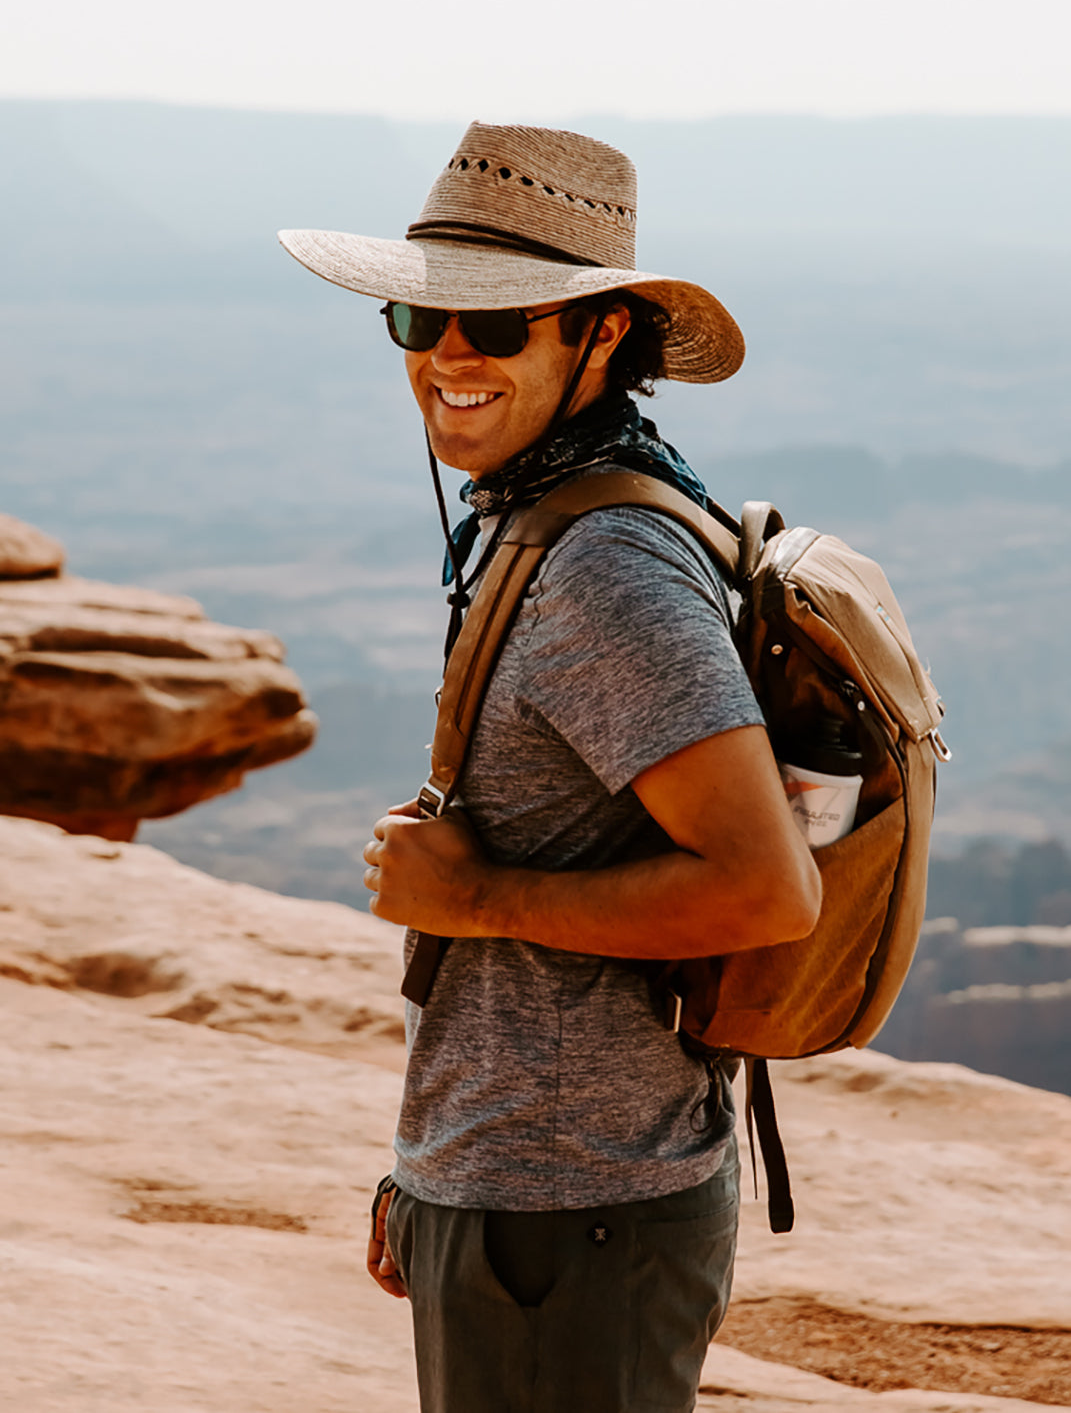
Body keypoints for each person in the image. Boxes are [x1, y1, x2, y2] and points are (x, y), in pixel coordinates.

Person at [279, 122, 820, 1413]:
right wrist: (433, 1166)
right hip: (540, 1193)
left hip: (573, 1211)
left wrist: (470, 903)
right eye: (423, 319)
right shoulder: (550, 516)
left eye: (501, 324)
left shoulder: (604, 570)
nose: (450, 357)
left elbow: (766, 889)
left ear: (605, 335)